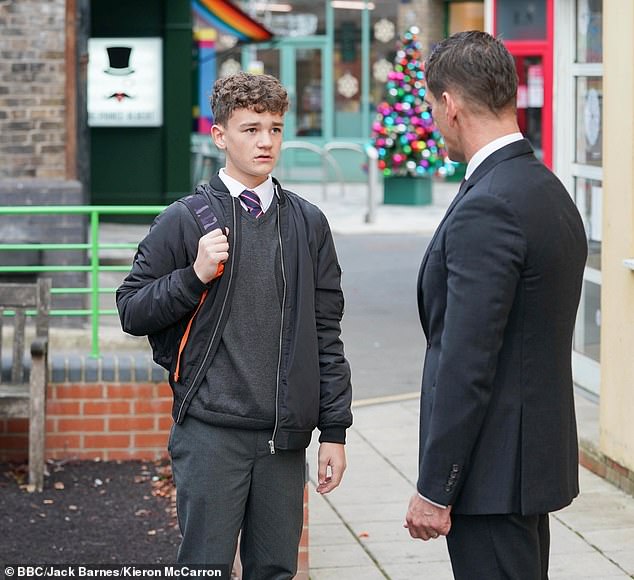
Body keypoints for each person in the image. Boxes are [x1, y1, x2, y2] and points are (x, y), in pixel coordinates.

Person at [117, 72, 352, 578]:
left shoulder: (307, 223)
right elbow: (132, 310)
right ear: (220, 135)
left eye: (274, 128)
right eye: (250, 129)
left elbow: (326, 333)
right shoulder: (184, 219)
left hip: (282, 440)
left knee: (275, 570)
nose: (265, 141)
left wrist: (334, 430)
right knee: (204, 567)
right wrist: (193, 276)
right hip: (209, 435)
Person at [404, 31, 587, 579]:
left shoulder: (489, 206)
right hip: (522, 470)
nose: (434, 120)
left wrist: (436, 488)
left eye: (432, 106)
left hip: (489, 478)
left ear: (451, 104)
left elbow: (467, 361)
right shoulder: (544, 188)